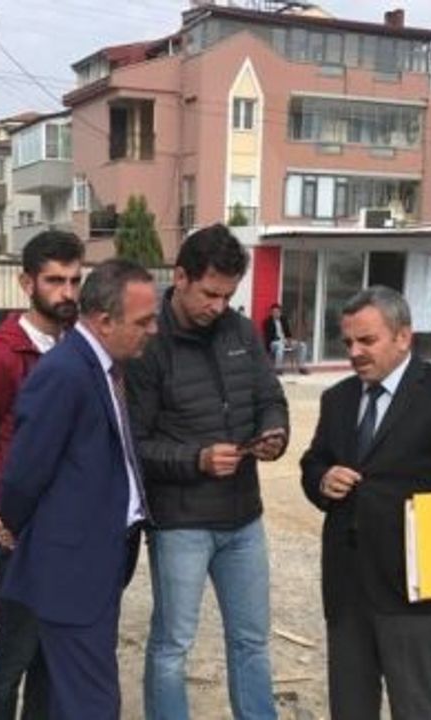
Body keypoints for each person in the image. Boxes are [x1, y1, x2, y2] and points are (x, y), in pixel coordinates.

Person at [298, 286, 431, 720]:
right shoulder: (338, 399)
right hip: (348, 588)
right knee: (350, 708)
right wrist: (322, 478)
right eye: (348, 342)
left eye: (367, 340)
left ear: (403, 337)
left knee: (417, 708)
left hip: (414, 590)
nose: (354, 352)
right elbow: (313, 461)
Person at [126, 224, 288, 720]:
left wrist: (275, 433)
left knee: (251, 640)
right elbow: (132, 446)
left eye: (228, 296)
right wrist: (196, 459)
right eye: (210, 294)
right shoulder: (148, 343)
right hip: (181, 524)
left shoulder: (240, 331)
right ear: (180, 277)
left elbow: (271, 398)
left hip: (244, 518)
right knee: (173, 645)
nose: (218, 307)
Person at [0, 259, 158, 720]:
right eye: (143, 321)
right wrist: (12, 522)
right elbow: (24, 472)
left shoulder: (104, 366)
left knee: (67, 695)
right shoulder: (65, 372)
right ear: (104, 321)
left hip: (100, 558)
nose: (153, 330)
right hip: (72, 570)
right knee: (93, 703)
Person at [0, 230, 85, 720]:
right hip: (22, 530)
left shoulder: (80, 346)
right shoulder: (0, 355)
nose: (67, 292)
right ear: (27, 283)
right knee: (14, 648)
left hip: (68, 526)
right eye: (55, 281)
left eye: (74, 280)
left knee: (51, 649)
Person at [262, 303, 309, 375]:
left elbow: (288, 333)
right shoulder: (267, 322)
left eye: (278, 312)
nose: (276, 314)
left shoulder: (283, 320)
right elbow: (269, 336)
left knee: (302, 345)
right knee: (280, 346)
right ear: (271, 313)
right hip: (273, 343)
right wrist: (281, 340)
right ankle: (278, 369)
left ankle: (301, 367)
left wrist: (289, 340)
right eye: (274, 312)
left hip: (285, 341)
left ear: (280, 312)